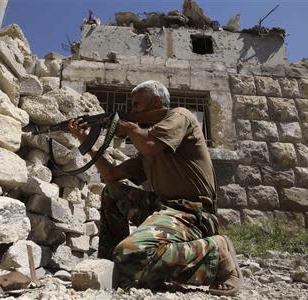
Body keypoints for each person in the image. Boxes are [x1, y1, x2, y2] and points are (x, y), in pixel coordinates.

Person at [68, 80, 242, 296]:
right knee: (113, 192)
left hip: (193, 214)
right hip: (165, 209)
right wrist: (84, 139)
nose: (132, 111)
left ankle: (216, 252)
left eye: (137, 105)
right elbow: (112, 175)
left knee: (131, 255)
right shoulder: (148, 147)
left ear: (157, 101)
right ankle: (111, 264)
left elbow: (150, 145)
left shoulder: (180, 116)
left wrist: (130, 127)